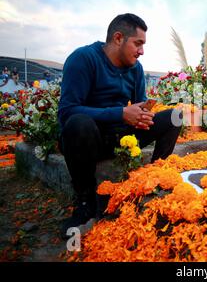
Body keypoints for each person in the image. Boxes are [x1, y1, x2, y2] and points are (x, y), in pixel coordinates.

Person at [58, 13, 182, 233]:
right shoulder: (83, 59)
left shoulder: (136, 68)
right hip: (90, 139)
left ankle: (153, 180)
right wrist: (120, 113)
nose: (142, 51)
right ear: (118, 38)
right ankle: (86, 202)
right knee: (78, 123)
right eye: (138, 43)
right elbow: (67, 111)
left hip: (123, 138)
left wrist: (142, 116)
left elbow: (137, 106)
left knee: (175, 116)